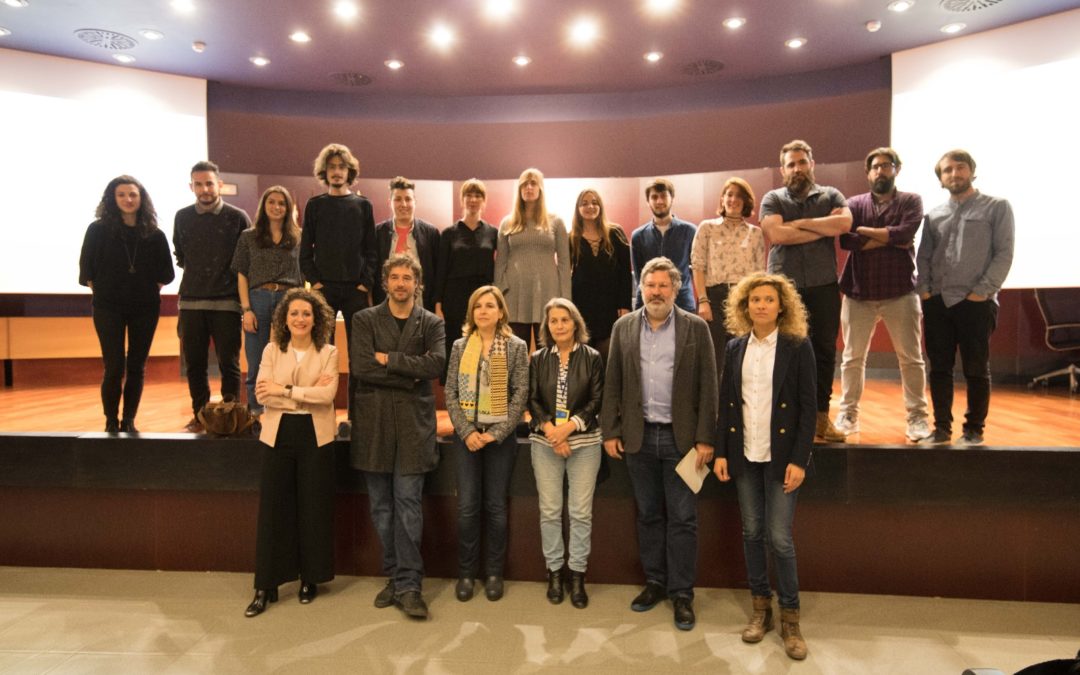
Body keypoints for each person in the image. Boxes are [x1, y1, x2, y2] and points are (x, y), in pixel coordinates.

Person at [600, 256, 717, 631]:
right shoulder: (623, 327)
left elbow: (709, 386)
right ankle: (656, 582)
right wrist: (611, 430)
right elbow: (613, 380)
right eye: (650, 285)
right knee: (649, 515)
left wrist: (705, 438)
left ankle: (682, 593)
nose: (656, 291)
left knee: (683, 518)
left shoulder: (696, 328)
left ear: (676, 289)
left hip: (682, 441)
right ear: (641, 288)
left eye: (663, 285)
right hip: (639, 437)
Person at [713, 272, 815, 661]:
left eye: (769, 299)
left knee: (780, 537)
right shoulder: (735, 347)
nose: (761, 305)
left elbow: (807, 408)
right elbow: (727, 404)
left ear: (781, 305)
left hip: (781, 458)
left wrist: (799, 460)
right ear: (745, 305)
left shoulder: (797, 345)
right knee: (752, 532)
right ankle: (761, 611)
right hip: (744, 454)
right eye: (754, 299)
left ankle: (791, 618)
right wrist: (722, 451)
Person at [350, 254, 445, 620]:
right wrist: (409, 371)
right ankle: (393, 575)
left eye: (408, 278)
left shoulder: (432, 323)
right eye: (395, 277)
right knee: (382, 508)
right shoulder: (364, 319)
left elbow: (435, 365)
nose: (402, 283)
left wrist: (388, 360)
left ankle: (409, 585)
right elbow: (361, 367)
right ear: (385, 282)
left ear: (416, 284)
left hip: (413, 427)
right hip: (373, 426)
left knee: (408, 506)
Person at [244, 288, 339, 617]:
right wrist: (302, 394)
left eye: (306, 314)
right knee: (273, 509)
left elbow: (327, 396)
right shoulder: (271, 349)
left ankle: (309, 579)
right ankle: (265, 585)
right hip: (278, 434)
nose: (300, 319)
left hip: (316, 435)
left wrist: (284, 390)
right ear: (285, 318)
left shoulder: (328, 351)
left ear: (317, 319)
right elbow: (262, 394)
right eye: (294, 313)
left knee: (312, 508)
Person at [915, 149, 1014, 446]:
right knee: (940, 368)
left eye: (960, 168)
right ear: (941, 179)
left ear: (971, 171)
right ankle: (941, 428)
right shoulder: (933, 215)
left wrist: (981, 292)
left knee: (976, 368)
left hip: (976, 303)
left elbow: (1004, 253)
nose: (954, 174)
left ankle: (973, 430)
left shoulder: (997, 207)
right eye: (947, 170)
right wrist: (926, 292)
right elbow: (924, 257)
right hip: (938, 303)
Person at [758, 140, 852, 443]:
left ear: (812, 163)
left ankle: (820, 419)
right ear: (783, 169)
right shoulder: (772, 198)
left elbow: (844, 224)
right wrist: (821, 226)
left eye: (802, 162)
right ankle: (785, 420)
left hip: (824, 285)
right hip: (785, 290)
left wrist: (800, 224)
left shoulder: (831, 194)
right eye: (791, 164)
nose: (797, 168)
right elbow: (775, 233)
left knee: (824, 352)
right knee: (783, 352)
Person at [835, 148, 931, 442]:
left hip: (900, 291)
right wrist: (888, 237)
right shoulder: (853, 203)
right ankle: (848, 414)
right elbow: (846, 240)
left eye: (886, 166)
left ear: (896, 170)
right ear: (868, 172)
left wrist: (869, 233)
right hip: (858, 292)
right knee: (852, 359)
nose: (880, 171)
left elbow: (906, 234)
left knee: (911, 359)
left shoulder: (911, 200)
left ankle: (917, 417)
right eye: (875, 167)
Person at [444, 286, 529, 603]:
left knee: (495, 507)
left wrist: (496, 432)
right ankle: (466, 574)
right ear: (471, 312)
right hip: (467, 437)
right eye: (477, 306)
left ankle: (494, 573)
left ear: (500, 312)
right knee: (467, 508)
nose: (483, 311)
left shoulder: (516, 347)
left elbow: (520, 394)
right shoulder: (459, 346)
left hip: (500, 438)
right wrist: (466, 431)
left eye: (489, 305)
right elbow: (450, 392)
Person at [78, 175, 175, 433]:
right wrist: (109, 292)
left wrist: (142, 290)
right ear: (112, 198)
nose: (128, 199)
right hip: (108, 307)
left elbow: (166, 274)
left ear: (141, 198)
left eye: (133, 194)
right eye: (121, 195)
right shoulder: (97, 230)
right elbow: (87, 271)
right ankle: (111, 420)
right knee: (113, 366)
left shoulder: (155, 234)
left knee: (136, 366)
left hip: (144, 308)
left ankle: (129, 420)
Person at [528, 298, 604, 608]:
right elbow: (532, 400)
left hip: (584, 443)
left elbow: (597, 400)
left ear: (575, 323)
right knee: (549, 510)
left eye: (565, 320)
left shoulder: (593, 357)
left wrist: (568, 428)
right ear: (547, 326)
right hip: (546, 443)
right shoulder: (537, 358)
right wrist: (551, 431)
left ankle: (577, 575)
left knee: (580, 513)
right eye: (554, 321)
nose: (559, 325)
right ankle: (555, 573)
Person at [299, 143, 377, 435]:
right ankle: (324, 414)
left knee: (358, 356)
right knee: (324, 354)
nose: (336, 172)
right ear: (324, 171)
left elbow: (372, 251)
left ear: (349, 171)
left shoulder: (363, 205)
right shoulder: (315, 205)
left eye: (341, 167)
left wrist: (364, 283)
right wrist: (317, 283)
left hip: (355, 291)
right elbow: (305, 251)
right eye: (331, 167)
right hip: (324, 290)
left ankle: (356, 418)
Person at [173, 160, 251, 432]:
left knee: (229, 364)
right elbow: (181, 256)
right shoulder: (182, 217)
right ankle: (201, 415)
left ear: (219, 184)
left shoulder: (238, 217)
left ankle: (229, 416)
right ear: (191, 186)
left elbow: (245, 259)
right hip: (191, 302)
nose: (204, 189)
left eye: (209, 183)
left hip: (227, 303)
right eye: (198, 184)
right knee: (195, 365)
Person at [232, 186, 302, 417]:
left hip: (288, 300)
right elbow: (242, 274)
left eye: (282, 203)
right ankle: (255, 412)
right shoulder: (248, 237)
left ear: (288, 207)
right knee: (256, 360)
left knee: (288, 358)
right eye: (272, 202)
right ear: (264, 205)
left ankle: (285, 410)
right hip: (258, 298)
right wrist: (246, 309)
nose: (277, 207)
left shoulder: (299, 237)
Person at [690, 177, 766, 384]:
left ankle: (738, 410)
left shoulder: (756, 233)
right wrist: (703, 301)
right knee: (714, 359)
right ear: (722, 199)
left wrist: (755, 304)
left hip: (744, 299)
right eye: (729, 194)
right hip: (714, 297)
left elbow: (760, 273)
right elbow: (698, 266)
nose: (733, 200)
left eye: (739, 196)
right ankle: (714, 412)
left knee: (742, 358)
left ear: (746, 201)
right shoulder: (707, 228)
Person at [494, 168, 571, 348]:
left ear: (541, 189)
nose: (529, 188)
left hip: (548, 293)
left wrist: (565, 299)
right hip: (513, 296)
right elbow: (500, 263)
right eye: (524, 184)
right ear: (519, 190)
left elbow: (564, 263)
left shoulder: (556, 222)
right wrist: (500, 294)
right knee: (514, 353)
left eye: (533, 183)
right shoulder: (507, 222)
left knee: (549, 352)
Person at [434, 179, 498, 378]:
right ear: (462, 200)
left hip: (483, 301)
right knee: (456, 350)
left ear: (484, 201)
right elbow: (440, 271)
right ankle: (456, 401)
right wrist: (438, 305)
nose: (473, 200)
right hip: (454, 301)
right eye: (469, 195)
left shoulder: (493, 233)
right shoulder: (448, 234)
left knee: (483, 349)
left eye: (478, 195)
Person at [569, 188, 633, 361]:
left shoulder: (615, 232)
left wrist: (625, 305)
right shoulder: (571, 238)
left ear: (601, 206)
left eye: (594, 202)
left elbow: (626, 274)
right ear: (578, 208)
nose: (590, 206)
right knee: (584, 359)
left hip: (611, 308)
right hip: (581, 307)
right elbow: (565, 274)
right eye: (585, 203)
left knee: (609, 357)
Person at [373, 176, 440, 311]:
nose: (403, 204)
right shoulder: (377, 233)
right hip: (385, 310)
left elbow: (438, 274)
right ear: (390, 202)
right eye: (398, 199)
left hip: (421, 309)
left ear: (415, 202)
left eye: (408, 199)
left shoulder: (431, 234)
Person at [630, 178, 697, 312]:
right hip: (648, 303)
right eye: (654, 197)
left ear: (672, 198)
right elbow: (639, 276)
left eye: (663, 196)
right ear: (648, 202)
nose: (659, 201)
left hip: (682, 302)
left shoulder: (690, 231)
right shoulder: (638, 236)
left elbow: (697, 268)